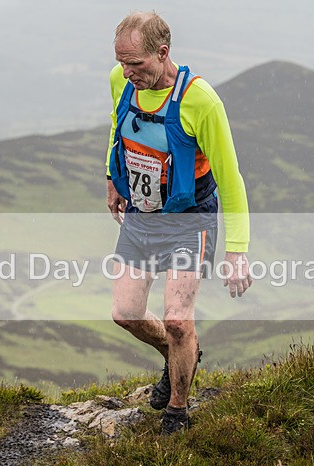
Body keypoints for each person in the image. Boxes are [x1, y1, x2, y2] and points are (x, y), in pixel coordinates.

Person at [105, 11, 251, 435]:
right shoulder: (121, 81)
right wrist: (112, 179)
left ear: (163, 52)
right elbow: (117, 127)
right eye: (122, 62)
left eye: (137, 64)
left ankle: (177, 412)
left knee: (178, 320)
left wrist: (238, 251)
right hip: (141, 215)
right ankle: (178, 354)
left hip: (190, 219)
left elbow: (231, 177)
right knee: (125, 313)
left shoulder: (200, 101)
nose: (127, 73)